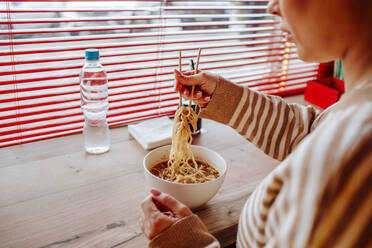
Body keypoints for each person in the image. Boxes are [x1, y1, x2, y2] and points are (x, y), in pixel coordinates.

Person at [139, 0, 372, 247]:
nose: (271, 6)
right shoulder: (358, 108)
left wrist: (185, 241)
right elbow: (312, 132)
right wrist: (226, 98)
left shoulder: (355, 160)